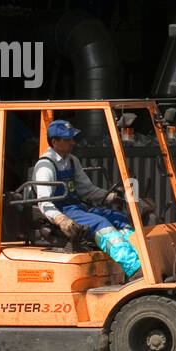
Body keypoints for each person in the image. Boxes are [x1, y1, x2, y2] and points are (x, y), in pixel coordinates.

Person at [34, 119, 142, 279]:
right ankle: (135, 270)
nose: (72, 142)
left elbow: (87, 189)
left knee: (119, 218)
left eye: (72, 138)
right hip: (63, 211)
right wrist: (60, 219)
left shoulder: (72, 161)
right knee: (101, 223)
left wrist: (112, 196)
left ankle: (142, 259)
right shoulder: (45, 166)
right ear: (55, 142)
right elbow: (44, 202)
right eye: (67, 139)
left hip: (76, 208)